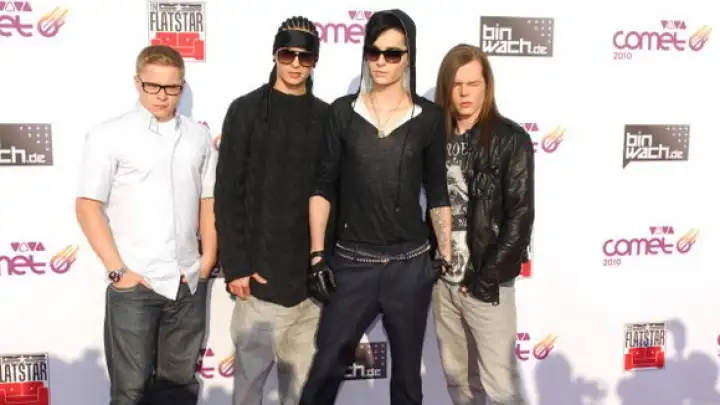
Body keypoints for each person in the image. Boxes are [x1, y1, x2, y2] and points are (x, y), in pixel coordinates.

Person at [299, 9, 452, 405]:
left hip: (410, 268)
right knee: (323, 372)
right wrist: (317, 256)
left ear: (409, 57)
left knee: (407, 381)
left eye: (392, 53)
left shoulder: (429, 118)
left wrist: (445, 252)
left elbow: (437, 191)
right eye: (373, 51)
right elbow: (322, 188)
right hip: (352, 265)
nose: (381, 61)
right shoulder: (342, 113)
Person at [75, 44, 217, 405]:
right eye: (153, 86)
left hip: (187, 282)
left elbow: (209, 201)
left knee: (179, 389)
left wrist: (207, 261)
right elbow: (88, 206)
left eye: (171, 87)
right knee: (130, 393)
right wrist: (118, 271)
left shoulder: (199, 136)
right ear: (137, 83)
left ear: (182, 87)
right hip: (135, 285)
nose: (162, 95)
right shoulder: (109, 135)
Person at [214, 16, 330, 405]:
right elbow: (228, 192)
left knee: (301, 395)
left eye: (305, 57)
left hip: (309, 292)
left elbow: (333, 195)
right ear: (275, 55)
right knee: (247, 393)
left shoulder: (328, 118)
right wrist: (236, 266)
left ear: (314, 61)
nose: (295, 64)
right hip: (257, 288)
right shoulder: (244, 111)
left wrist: (325, 266)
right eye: (287, 54)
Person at [432, 43, 534, 405]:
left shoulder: (511, 139)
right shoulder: (433, 138)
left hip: (486, 286)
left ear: (486, 86)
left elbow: (520, 218)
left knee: (501, 389)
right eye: (457, 84)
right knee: (459, 382)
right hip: (443, 285)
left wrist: (486, 279)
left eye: (473, 84)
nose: (464, 93)